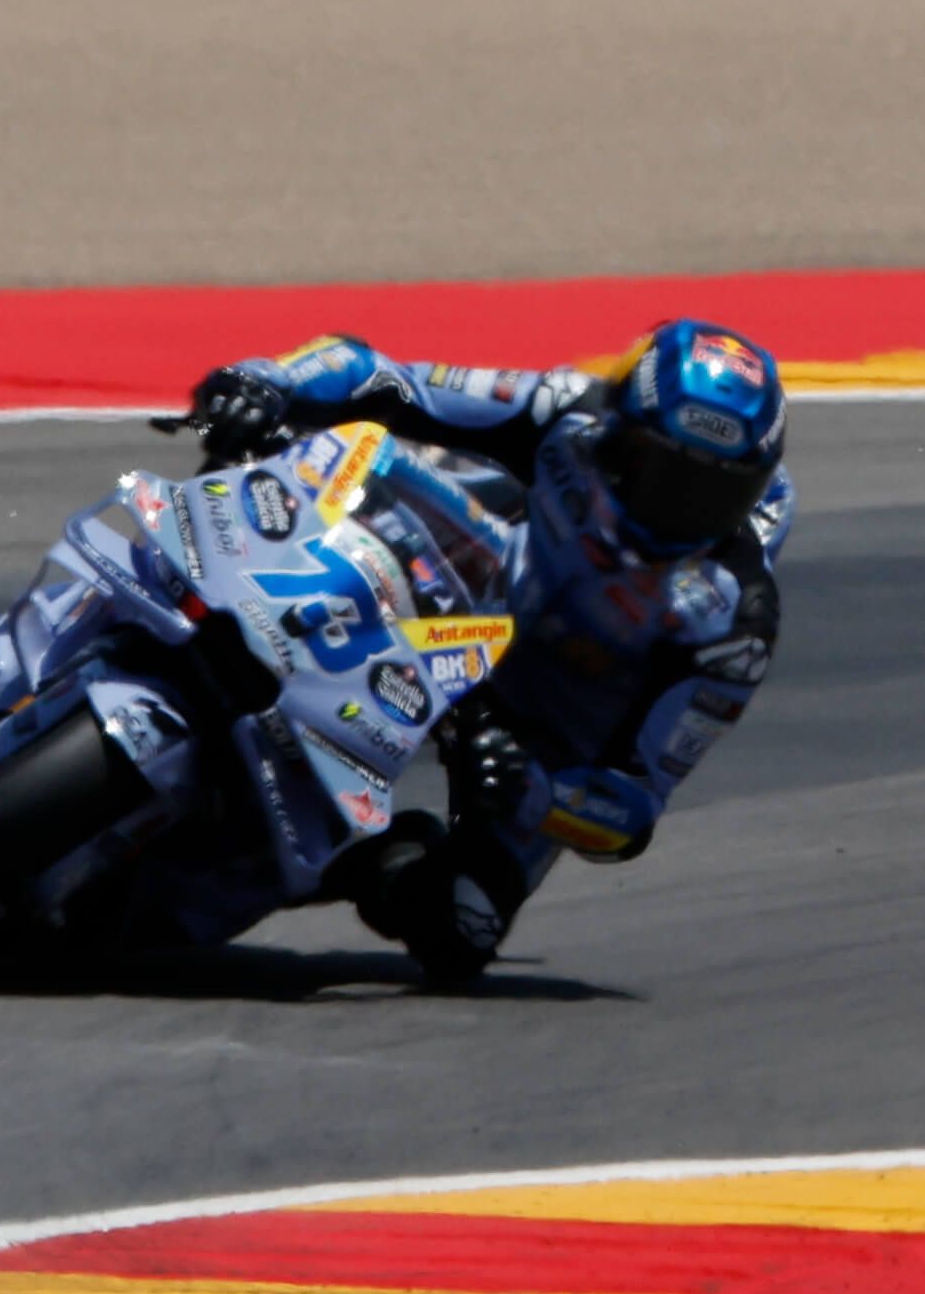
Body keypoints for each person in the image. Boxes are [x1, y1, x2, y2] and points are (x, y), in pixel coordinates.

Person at [189, 319, 791, 980]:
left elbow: (634, 809)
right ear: (619, 435)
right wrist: (265, 382)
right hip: (457, 599)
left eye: (714, 494)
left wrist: (535, 785)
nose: (683, 509)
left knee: (457, 929)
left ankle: (365, 855)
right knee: (304, 478)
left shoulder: (737, 624)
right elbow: (385, 374)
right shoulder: (565, 411)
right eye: (665, 473)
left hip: (536, 736)